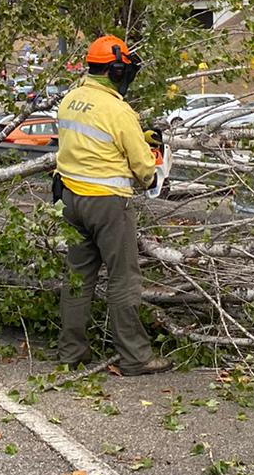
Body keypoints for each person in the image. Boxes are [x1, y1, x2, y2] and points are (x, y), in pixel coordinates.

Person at [54, 35, 171, 378]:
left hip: (71, 199)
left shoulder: (71, 99)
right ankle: (135, 356)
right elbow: (144, 171)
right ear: (117, 71)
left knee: (77, 278)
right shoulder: (118, 110)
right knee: (123, 279)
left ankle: (71, 353)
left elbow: (93, 141)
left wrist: (136, 137)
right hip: (107, 203)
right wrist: (154, 160)